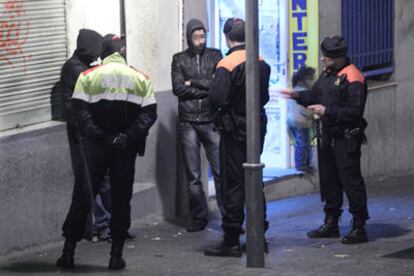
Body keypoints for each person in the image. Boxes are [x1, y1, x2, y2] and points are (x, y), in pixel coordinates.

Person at [56, 34, 157, 270]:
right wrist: (128, 136)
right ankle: (115, 256)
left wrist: (98, 135)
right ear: (122, 52)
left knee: (82, 197)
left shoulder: (87, 76)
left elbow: (79, 110)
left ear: (103, 53)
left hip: (96, 148)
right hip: (125, 150)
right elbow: (149, 114)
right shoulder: (141, 78)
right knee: (121, 200)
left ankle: (68, 252)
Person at [280, 35, 369, 244]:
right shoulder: (329, 74)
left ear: (338, 57)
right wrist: (296, 96)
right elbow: (316, 95)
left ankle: (359, 226)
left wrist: (326, 110)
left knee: (350, 181)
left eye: (326, 56)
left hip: (345, 138)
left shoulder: (353, 77)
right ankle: (331, 223)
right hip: (327, 136)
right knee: (329, 181)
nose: (322, 59)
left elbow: (354, 112)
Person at [204, 18, 271, 257]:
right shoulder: (260, 61)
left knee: (233, 184)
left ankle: (231, 239)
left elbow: (217, 99)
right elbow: (263, 97)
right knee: (254, 181)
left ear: (227, 37)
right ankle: (259, 237)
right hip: (256, 125)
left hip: (234, 130)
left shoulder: (227, 63)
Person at [58, 29, 113, 242]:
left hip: (90, 131)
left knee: (102, 178)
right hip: (83, 133)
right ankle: (98, 225)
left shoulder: (81, 66)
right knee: (93, 180)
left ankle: (104, 223)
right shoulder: (74, 69)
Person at [171, 18, 224, 232]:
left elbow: (217, 85)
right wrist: (205, 88)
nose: (200, 41)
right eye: (196, 37)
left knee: (220, 171)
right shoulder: (179, 59)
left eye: (203, 36)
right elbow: (177, 89)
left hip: (211, 120)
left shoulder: (215, 55)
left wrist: (192, 83)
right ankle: (198, 217)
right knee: (193, 175)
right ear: (189, 37)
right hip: (188, 122)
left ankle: (228, 216)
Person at [287, 66, 316, 172]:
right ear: (303, 79)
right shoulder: (302, 92)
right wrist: (313, 112)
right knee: (303, 144)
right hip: (300, 122)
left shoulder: (295, 89)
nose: (312, 80)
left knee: (302, 143)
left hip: (294, 121)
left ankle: (304, 163)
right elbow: (304, 109)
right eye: (310, 78)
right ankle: (301, 165)